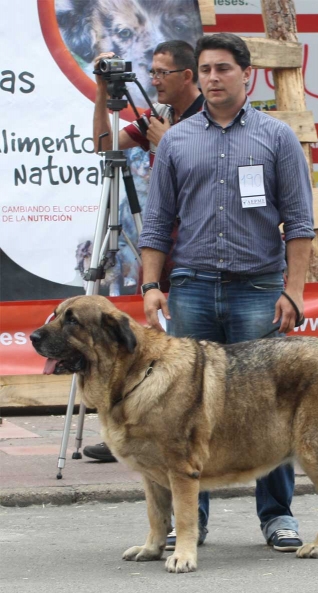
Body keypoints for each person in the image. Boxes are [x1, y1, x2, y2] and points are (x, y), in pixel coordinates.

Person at [138, 33, 315, 552]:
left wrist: (295, 291)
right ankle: (189, 524)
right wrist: (151, 285)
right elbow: (156, 224)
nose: (213, 78)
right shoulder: (175, 140)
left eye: (223, 69)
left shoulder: (276, 138)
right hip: (190, 288)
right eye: (207, 70)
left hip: (258, 290)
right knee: (182, 410)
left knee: (270, 405)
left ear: (247, 74)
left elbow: (300, 224)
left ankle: (278, 516)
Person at [83, 40, 203, 464]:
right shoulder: (158, 116)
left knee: (188, 349)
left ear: (187, 76)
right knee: (157, 334)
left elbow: (213, 171)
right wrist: (102, 90)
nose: (153, 81)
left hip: (198, 245)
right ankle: (137, 426)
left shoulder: (207, 118)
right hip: (162, 242)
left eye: (161, 73)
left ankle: (182, 435)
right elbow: (103, 142)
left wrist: (170, 143)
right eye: (150, 73)